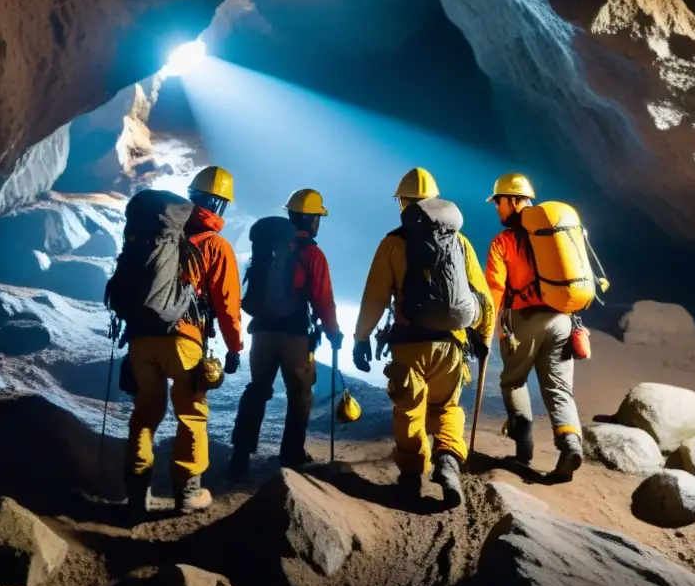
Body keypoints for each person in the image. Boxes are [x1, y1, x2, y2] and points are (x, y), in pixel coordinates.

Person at [352, 167, 494, 507]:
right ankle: (447, 461)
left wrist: (361, 338)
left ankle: (412, 477)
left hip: (409, 345)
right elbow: (482, 295)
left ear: (403, 203)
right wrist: (483, 335)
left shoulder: (392, 244)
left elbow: (374, 296)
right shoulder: (459, 242)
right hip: (452, 345)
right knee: (447, 407)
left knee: (410, 410)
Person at [124, 165, 244, 514]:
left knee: (145, 414)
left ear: (191, 197)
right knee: (191, 414)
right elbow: (227, 304)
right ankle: (189, 493)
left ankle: (136, 494)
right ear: (220, 206)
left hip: (141, 338)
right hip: (184, 340)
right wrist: (234, 348)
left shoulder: (157, 234)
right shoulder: (216, 245)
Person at [229, 188, 342, 478]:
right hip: (296, 336)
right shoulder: (313, 254)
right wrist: (333, 332)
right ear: (313, 220)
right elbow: (323, 298)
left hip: (263, 332)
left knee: (258, 389)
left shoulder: (269, 247)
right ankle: (291, 455)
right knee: (299, 394)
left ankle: (240, 454)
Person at [484, 172, 583, 480]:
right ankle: (570, 444)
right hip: (561, 320)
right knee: (558, 388)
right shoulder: (554, 234)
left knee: (513, 382)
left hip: (524, 321)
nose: (497, 209)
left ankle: (523, 450)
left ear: (513, 201)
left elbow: (494, 291)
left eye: (499, 202)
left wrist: (485, 332)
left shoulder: (503, 242)